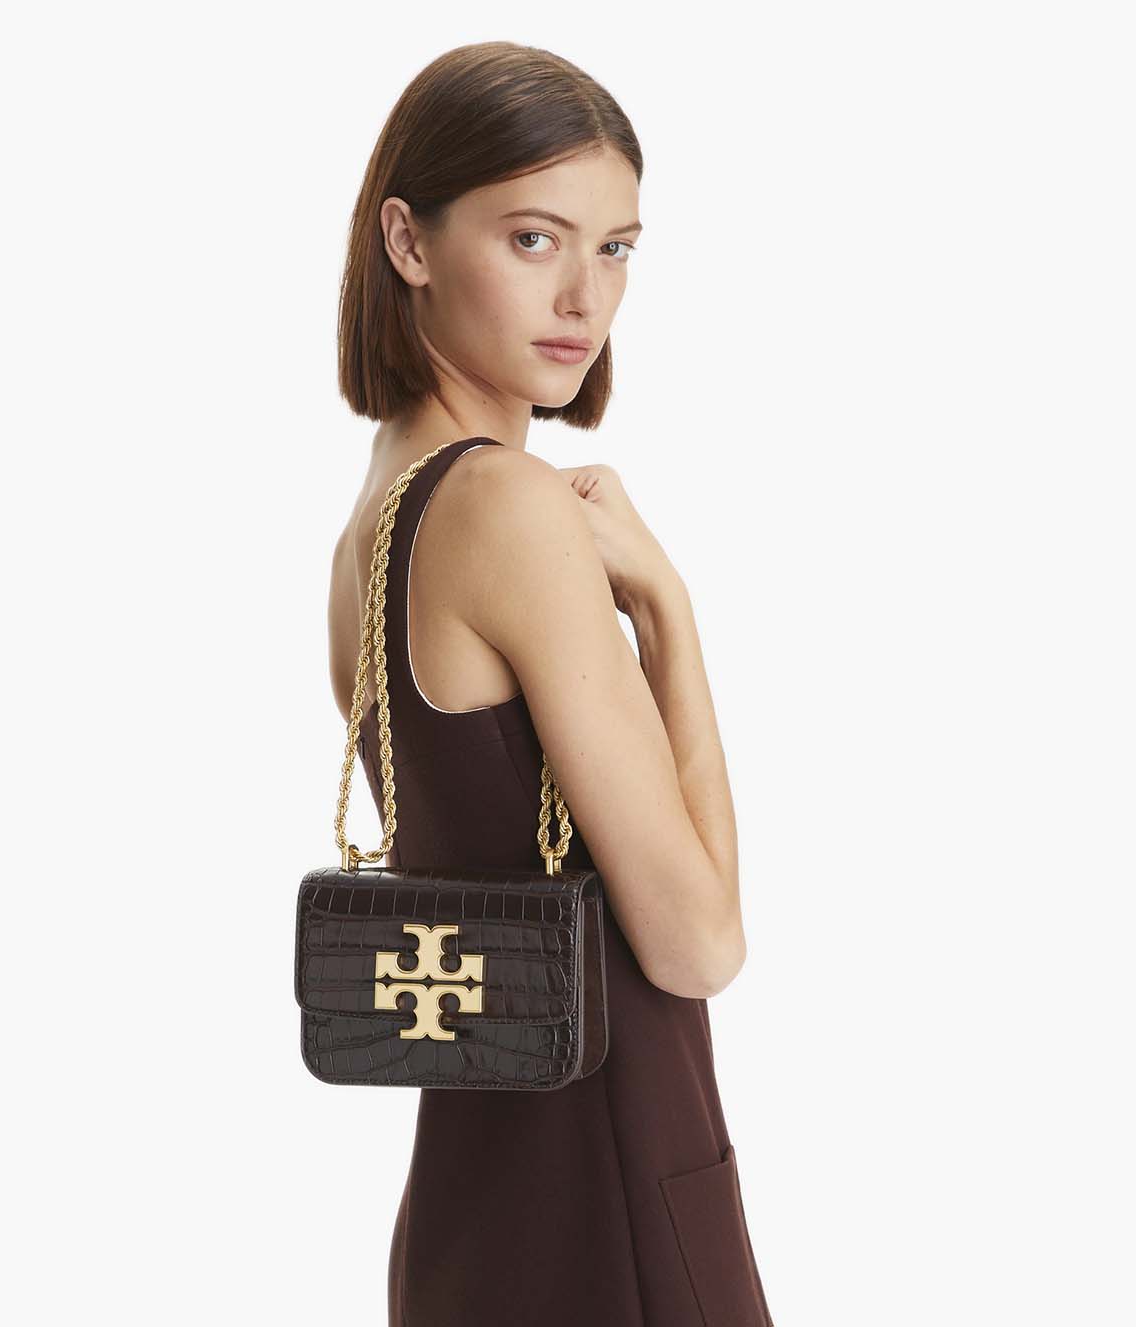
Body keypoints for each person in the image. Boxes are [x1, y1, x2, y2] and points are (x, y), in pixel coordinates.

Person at [324, 40, 774, 1327]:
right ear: (407, 242)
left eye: (615, 247)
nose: (584, 295)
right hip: (610, 1179)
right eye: (533, 239)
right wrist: (666, 611)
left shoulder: (371, 528)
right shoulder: (507, 507)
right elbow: (696, 940)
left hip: (476, 1198)